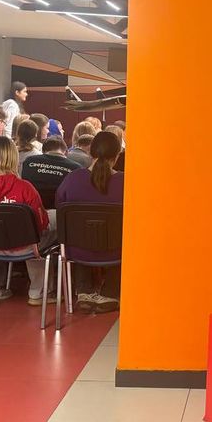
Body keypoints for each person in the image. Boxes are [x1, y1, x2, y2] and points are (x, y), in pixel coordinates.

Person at [0, 137, 54, 305]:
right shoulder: (25, 188)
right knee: (47, 228)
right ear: (14, 157)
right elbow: (41, 225)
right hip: (24, 247)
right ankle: (39, 291)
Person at [55, 131, 125, 312]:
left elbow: (60, 208)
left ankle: (84, 291)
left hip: (77, 251)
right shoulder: (126, 182)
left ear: (90, 153)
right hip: (116, 252)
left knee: (79, 232)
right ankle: (110, 293)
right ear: (117, 156)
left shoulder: (72, 179)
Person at [21, 136, 78, 208]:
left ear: (43, 151)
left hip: (31, 209)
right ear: (66, 152)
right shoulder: (76, 168)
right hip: (61, 210)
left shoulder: (29, 161)